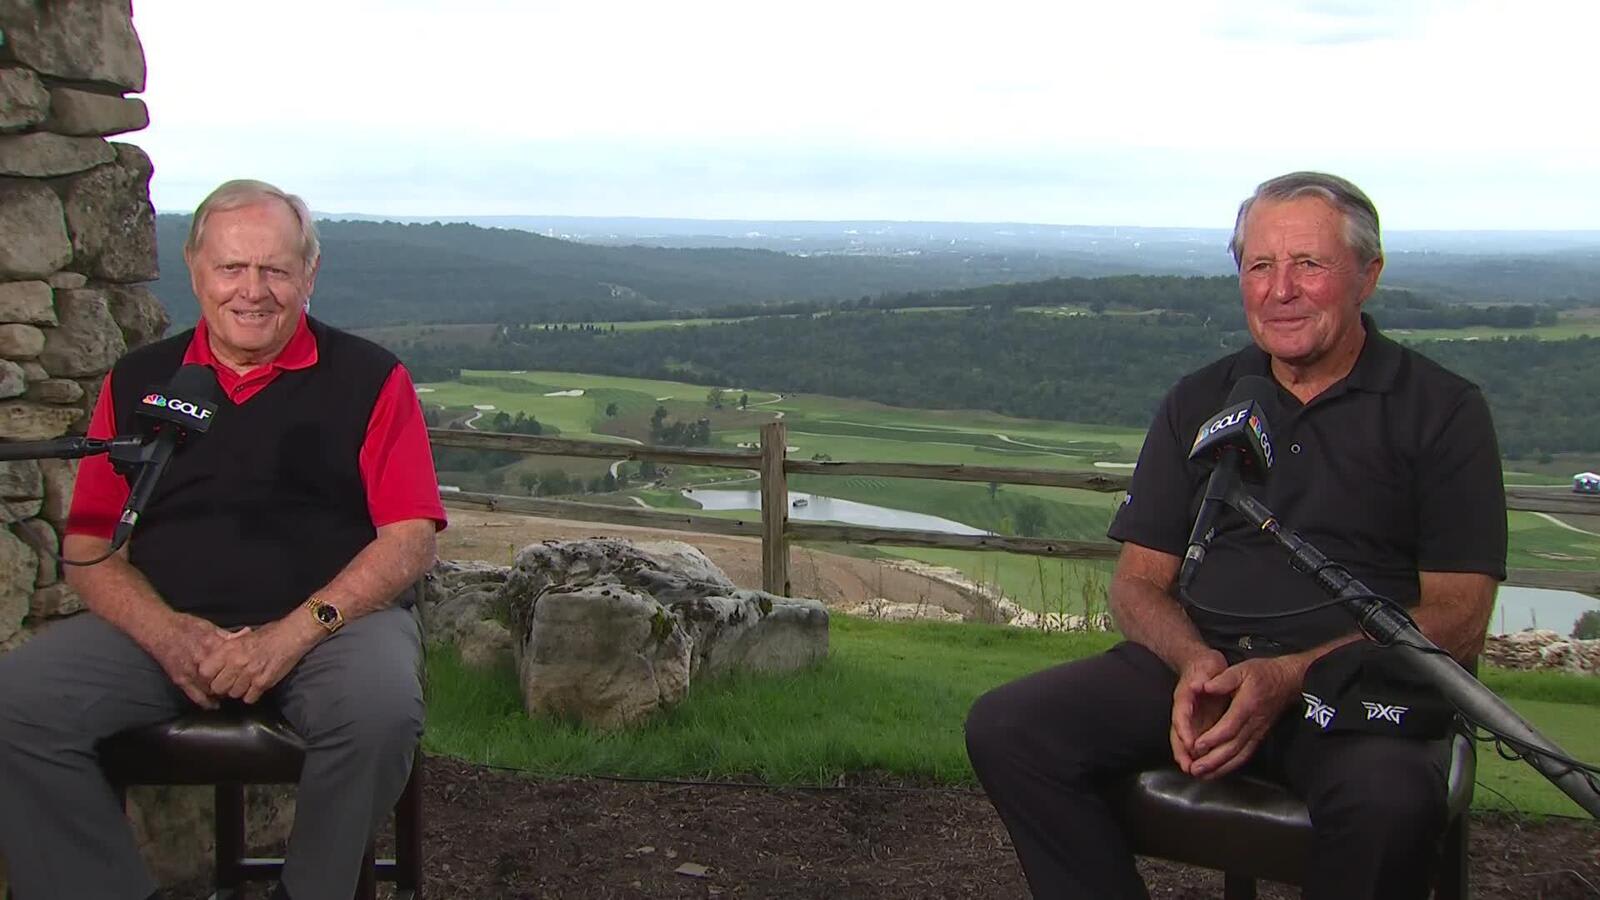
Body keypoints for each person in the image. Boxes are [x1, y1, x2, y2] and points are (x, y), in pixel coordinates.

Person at [965, 171, 1507, 899]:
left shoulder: (1441, 411)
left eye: (1309, 265)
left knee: (1389, 804)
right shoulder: (1202, 398)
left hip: (1352, 691)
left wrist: (1288, 677)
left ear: (1367, 276)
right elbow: (1137, 583)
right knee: (1011, 729)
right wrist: (1194, 662)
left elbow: (1460, 620)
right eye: (1260, 265)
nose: (1280, 289)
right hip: (1203, 669)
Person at [0, 180, 447, 900]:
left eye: (274, 269)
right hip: (165, 627)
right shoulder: (142, 380)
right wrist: (171, 635)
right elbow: (89, 544)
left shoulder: (371, 378)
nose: (253, 290)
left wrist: (290, 635)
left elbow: (409, 540)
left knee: (379, 711)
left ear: (309, 274)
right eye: (231, 268)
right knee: (15, 704)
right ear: (195, 268)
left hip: (330, 628)